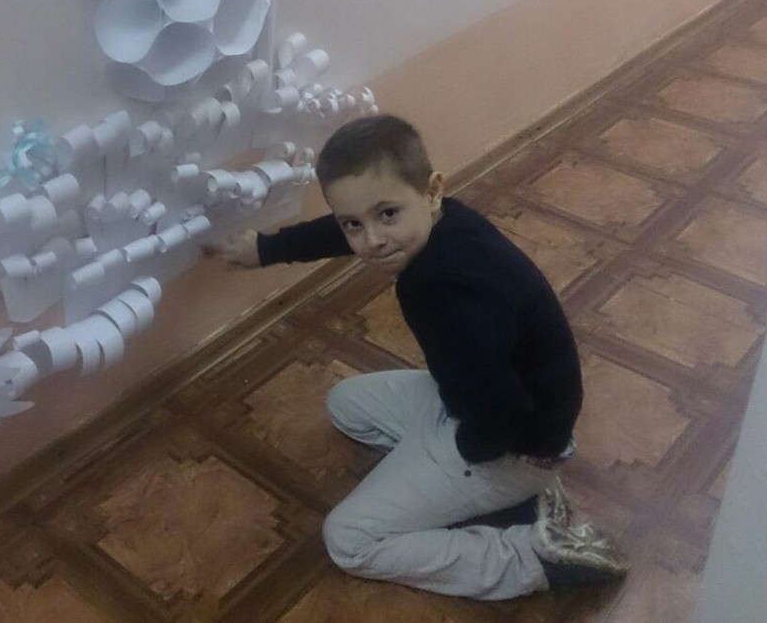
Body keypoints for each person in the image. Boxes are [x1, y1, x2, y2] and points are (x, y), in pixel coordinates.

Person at [206, 114, 628, 600]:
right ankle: (490, 487)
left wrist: (466, 458)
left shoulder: (449, 294)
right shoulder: (447, 221)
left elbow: (501, 407)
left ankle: (536, 556)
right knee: (346, 404)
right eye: (354, 224)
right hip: (484, 407)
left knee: (349, 540)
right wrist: (267, 249)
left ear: (432, 190)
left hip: (511, 442)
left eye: (387, 215)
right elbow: (352, 224)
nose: (372, 240)